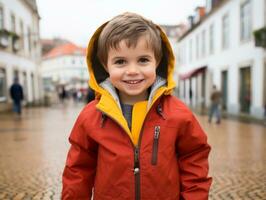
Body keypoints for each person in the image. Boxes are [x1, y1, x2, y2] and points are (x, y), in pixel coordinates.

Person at [62, 12, 212, 200]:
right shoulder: (91, 116)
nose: (132, 71)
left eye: (143, 60)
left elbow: (194, 160)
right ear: (105, 64)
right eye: (120, 61)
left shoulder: (178, 115)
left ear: (156, 61)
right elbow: (78, 171)